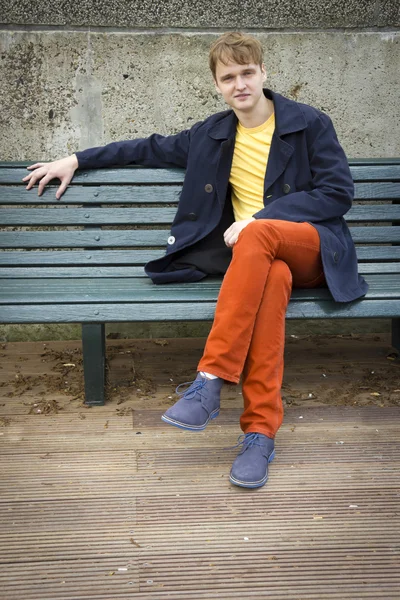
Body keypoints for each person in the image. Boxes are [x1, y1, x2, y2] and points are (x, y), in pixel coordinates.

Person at [23, 32, 368, 489]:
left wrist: (260, 219)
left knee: (261, 235)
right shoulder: (211, 135)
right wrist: (75, 159)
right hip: (259, 261)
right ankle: (260, 434)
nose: (240, 83)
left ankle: (210, 377)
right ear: (217, 85)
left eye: (247, 72)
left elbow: (338, 194)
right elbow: (145, 147)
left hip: (313, 248)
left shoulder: (309, 123)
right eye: (229, 77)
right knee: (272, 276)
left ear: (264, 73)